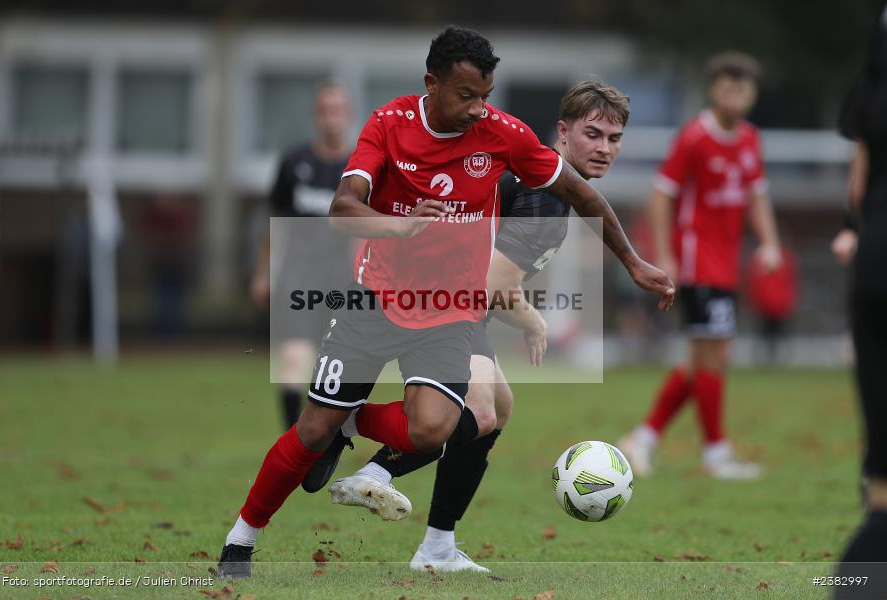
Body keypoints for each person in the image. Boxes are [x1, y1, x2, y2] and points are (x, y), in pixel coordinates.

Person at [218, 26, 674, 579]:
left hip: (449, 311)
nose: (478, 109)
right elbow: (343, 208)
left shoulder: (503, 135)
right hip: (377, 298)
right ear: (431, 84)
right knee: (313, 429)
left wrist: (632, 261)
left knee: (439, 426)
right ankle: (241, 540)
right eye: (466, 96)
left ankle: (377, 463)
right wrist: (398, 225)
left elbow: (580, 192)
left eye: (485, 96)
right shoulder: (389, 124)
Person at [326, 81, 635, 573]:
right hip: (439, 306)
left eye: (613, 139)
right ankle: (367, 453)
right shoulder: (545, 199)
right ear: (563, 132)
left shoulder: (541, 184)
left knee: (499, 409)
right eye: (592, 134)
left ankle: (437, 547)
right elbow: (485, 287)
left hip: (443, 300)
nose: (603, 148)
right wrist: (532, 317)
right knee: (481, 414)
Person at [619, 51, 782, 480]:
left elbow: (758, 195)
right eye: (728, 87)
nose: (736, 95)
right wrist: (668, 255)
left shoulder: (750, 139)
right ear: (714, 91)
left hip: (725, 264)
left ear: (753, 93)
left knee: (701, 359)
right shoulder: (694, 137)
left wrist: (769, 243)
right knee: (714, 355)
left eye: (743, 88)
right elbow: (660, 194)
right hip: (697, 263)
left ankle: (643, 438)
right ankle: (715, 453)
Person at [250, 82, 354, 430]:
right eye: (325, 110)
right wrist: (263, 273)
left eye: (337, 110)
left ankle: (325, 438)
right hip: (298, 276)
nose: (331, 119)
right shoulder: (294, 163)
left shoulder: (359, 169)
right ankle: (292, 441)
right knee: (294, 358)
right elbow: (275, 224)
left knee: (336, 365)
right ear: (315, 116)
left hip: (342, 279)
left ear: (348, 116)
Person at [835, 3, 887, 596]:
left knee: (883, 492)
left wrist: (861, 226)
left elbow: (858, 181)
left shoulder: (873, 88)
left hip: (879, 269)